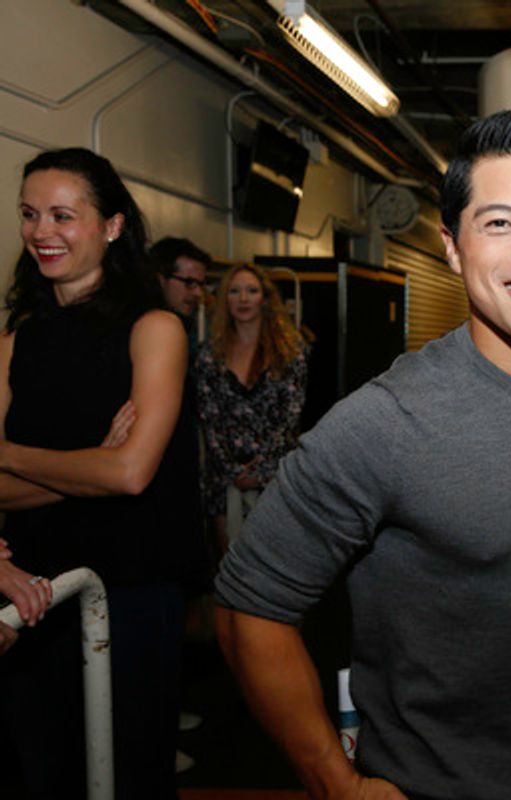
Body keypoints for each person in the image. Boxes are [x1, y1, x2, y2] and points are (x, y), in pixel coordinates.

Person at [213, 110, 511, 800]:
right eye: (500, 223)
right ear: (452, 246)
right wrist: (336, 783)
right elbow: (248, 610)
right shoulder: (382, 424)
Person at [0, 147, 199, 797]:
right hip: (31, 590)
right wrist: (91, 459)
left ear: (111, 226)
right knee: (40, 770)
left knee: (130, 771)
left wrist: (7, 455)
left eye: (63, 214)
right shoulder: (17, 338)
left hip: (131, 592)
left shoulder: (155, 329)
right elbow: (107, 469)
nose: (41, 231)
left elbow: (131, 475)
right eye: (30, 214)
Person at [195, 263, 306, 551]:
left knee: (274, 566)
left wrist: (260, 470)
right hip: (223, 478)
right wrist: (234, 471)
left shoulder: (290, 353)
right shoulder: (209, 354)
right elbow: (209, 418)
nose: (243, 299)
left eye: (251, 291)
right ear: (225, 299)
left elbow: (290, 418)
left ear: (265, 299)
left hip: (274, 478)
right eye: (234, 291)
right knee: (229, 569)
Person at [150, 236, 211, 360]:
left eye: (201, 284)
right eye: (189, 282)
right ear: (161, 279)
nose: (198, 293)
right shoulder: (141, 330)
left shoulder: (196, 328)